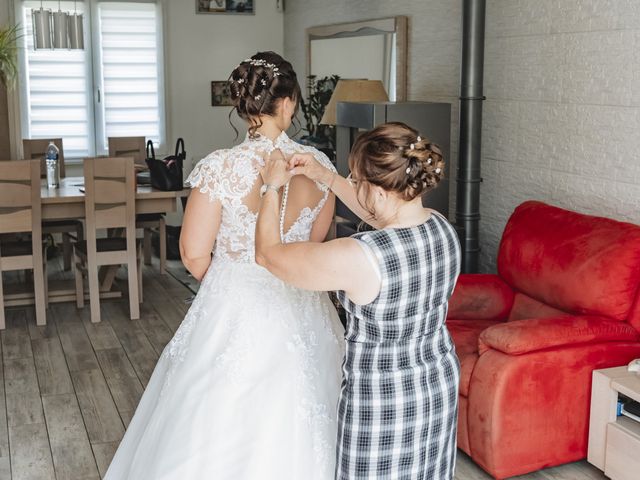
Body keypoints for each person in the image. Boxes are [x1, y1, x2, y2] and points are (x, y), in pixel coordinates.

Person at [104, 51, 345, 479]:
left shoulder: (218, 168)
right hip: (304, 307)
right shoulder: (320, 168)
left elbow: (194, 254)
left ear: (244, 105)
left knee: (216, 419)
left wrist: (231, 286)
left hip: (235, 307)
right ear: (288, 104)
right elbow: (312, 247)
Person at [255, 122, 461, 480]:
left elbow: (269, 256)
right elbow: (383, 216)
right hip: (436, 387)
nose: (353, 186)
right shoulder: (442, 228)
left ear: (380, 191)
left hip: (382, 403)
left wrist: (270, 188)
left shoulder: (359, 257)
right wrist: (327, 177)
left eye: (357, 181)